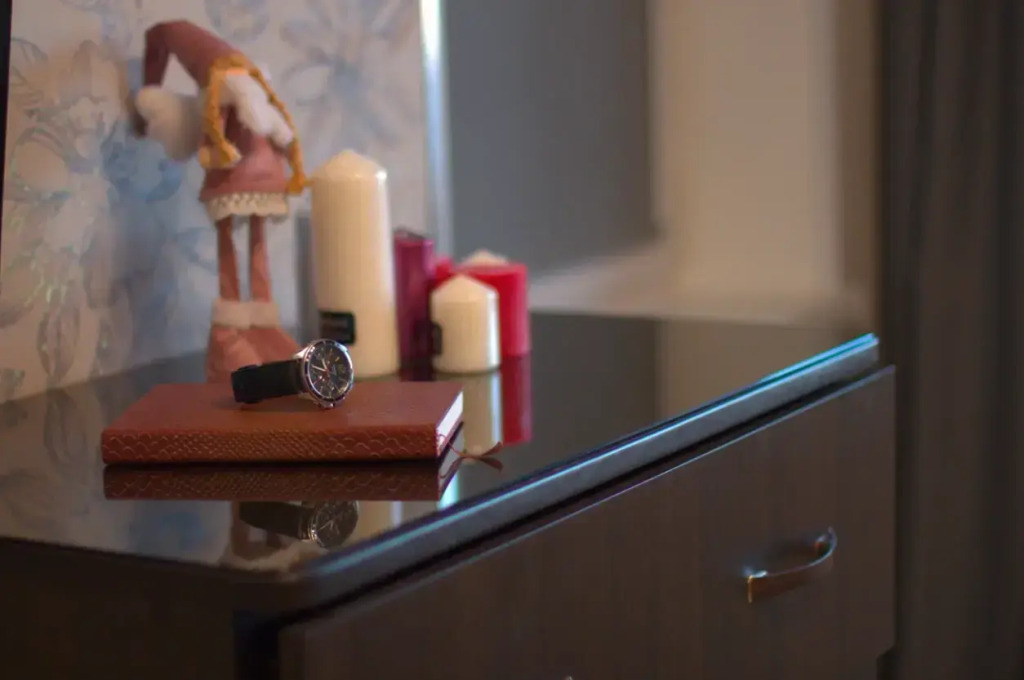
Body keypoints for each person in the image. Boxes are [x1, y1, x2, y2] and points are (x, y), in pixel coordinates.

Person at [133, 19, 306, 381]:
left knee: (256, 240)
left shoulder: (241, 92)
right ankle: (230, 334)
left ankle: (262, 326)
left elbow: (273, 125)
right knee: (232, 239)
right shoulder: (227, 97)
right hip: (238, 177)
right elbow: (266, 123)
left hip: (256, 176)